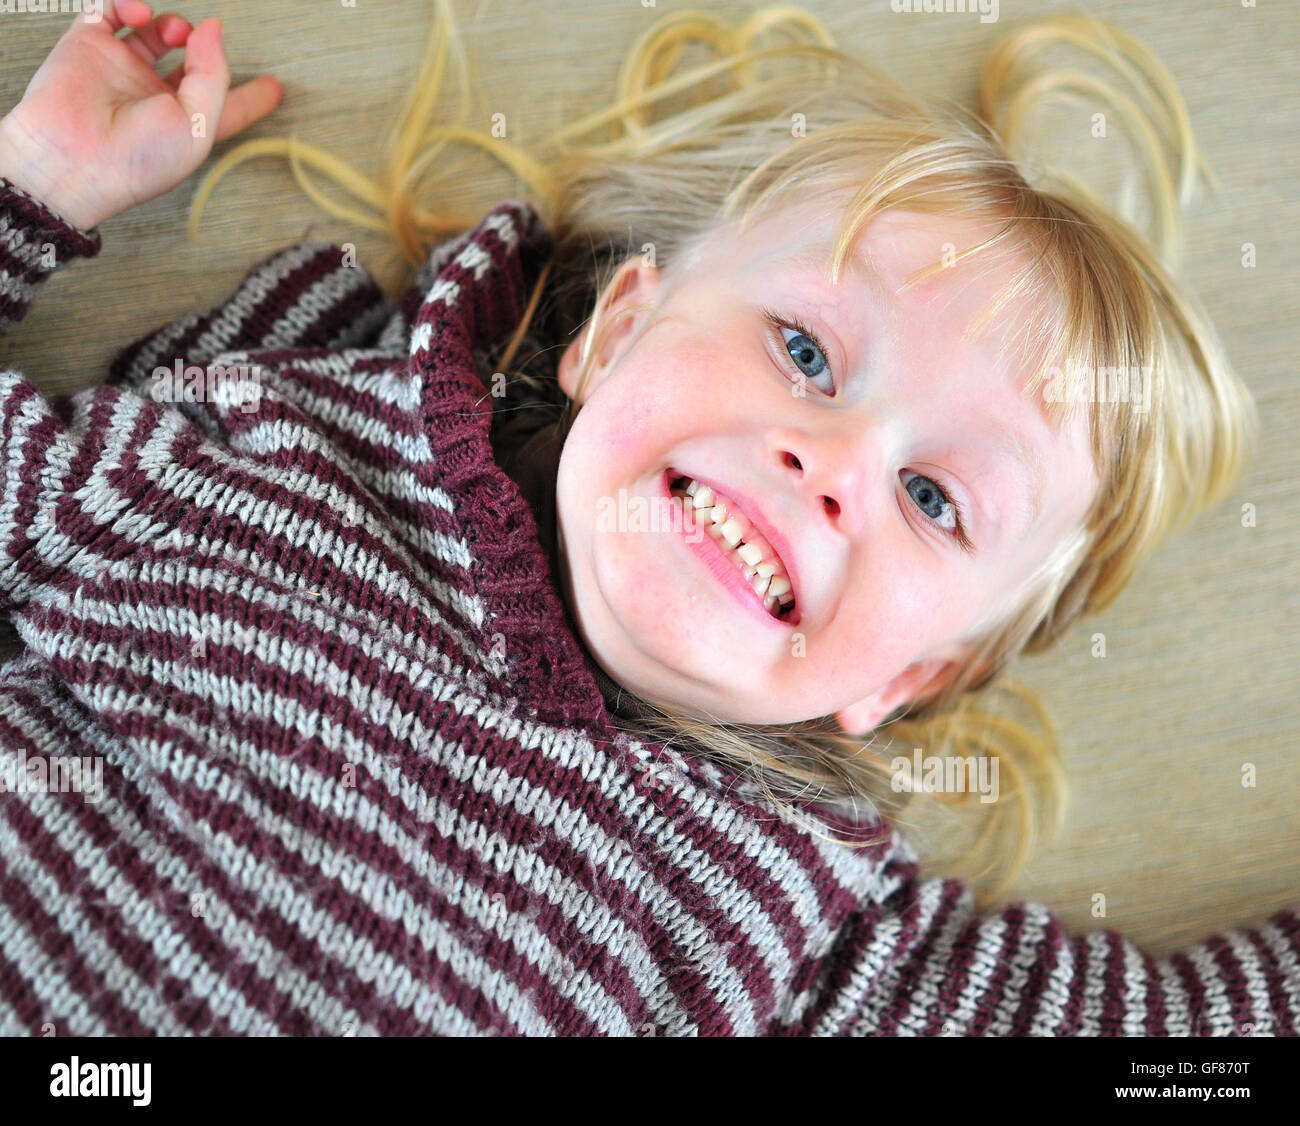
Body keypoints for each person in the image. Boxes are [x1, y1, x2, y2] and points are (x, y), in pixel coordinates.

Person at [0, 0, 1293, 1035]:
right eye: (803, 348)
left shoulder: (807, 925)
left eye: (934, 497)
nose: (831, 461)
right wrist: (33, 187)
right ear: (613, 333)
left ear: (909, 675)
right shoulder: (265, 454)